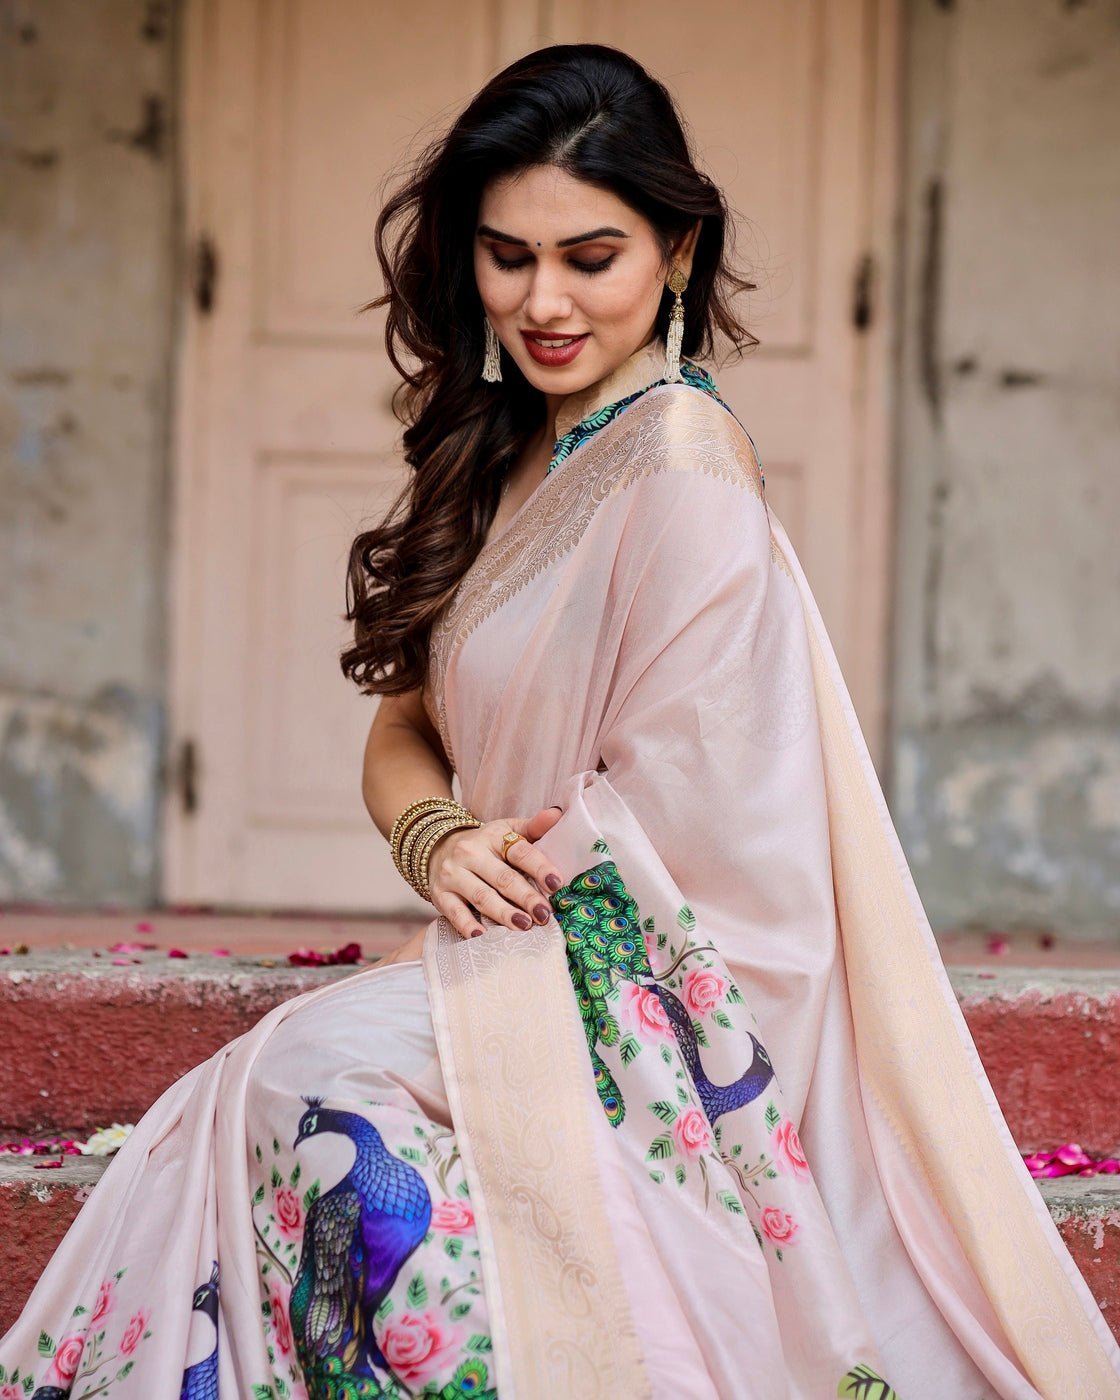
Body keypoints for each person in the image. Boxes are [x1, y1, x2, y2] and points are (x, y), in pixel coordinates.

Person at [2, 41, 1117, 1400]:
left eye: (591, 258)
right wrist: (435, 837)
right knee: (292, 1078)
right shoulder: (501, 448)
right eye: (506, 256)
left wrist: (496, 912)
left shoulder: (680, 463)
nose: (542, 302)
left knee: (308, 1076)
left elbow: (709, 844)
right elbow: (403, 727)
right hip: (513, 947)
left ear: (678, 251)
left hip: (644, 988)